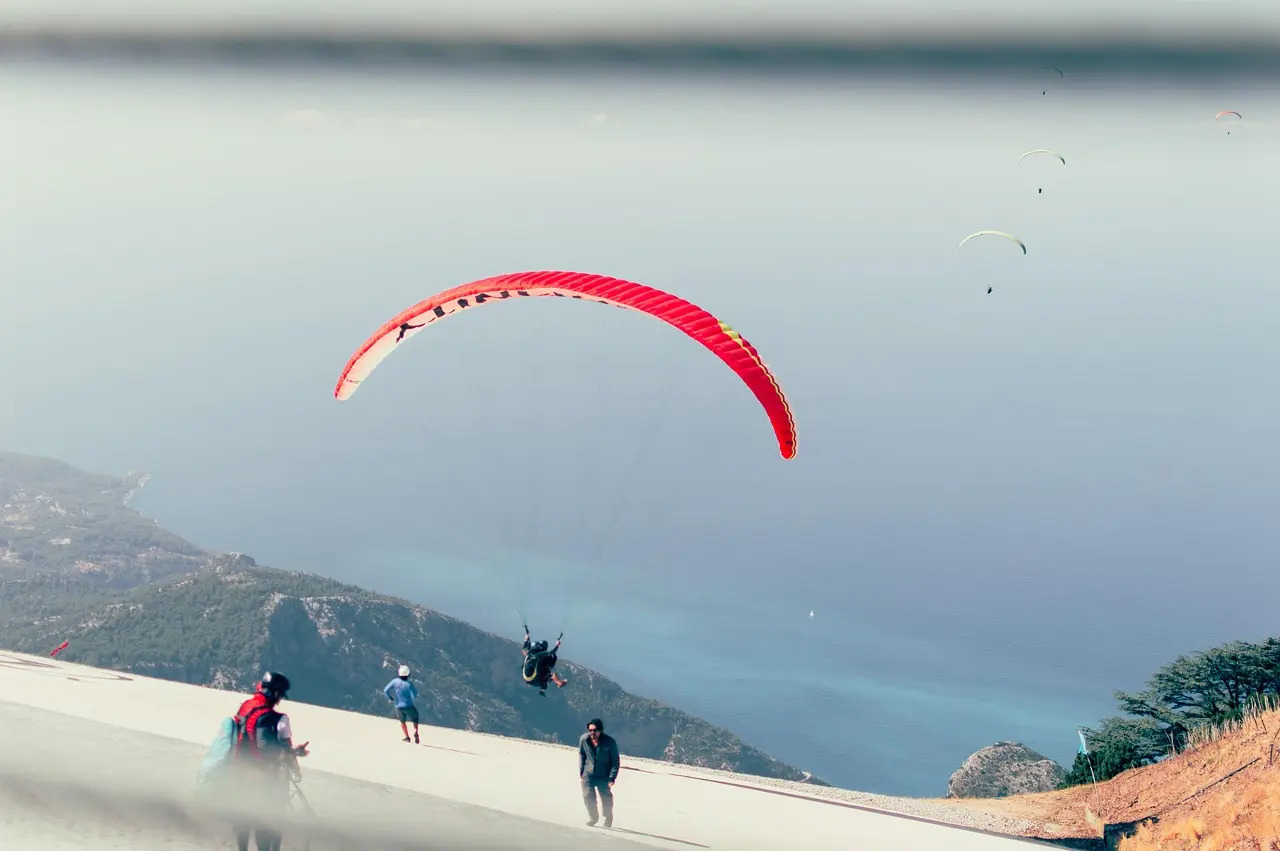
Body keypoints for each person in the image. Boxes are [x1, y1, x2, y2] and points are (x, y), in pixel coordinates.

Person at [230, 671, 309, 851]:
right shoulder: (278, 719)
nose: (280, 699)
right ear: (275, 693)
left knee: (242, 823)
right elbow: (269, 751)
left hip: (237, 773)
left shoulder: (245, 707)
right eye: (280, 695)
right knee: (266, 826)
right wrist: (295, 753)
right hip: (263, 779)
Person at [579, 718, 619, 828]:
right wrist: (581, 771)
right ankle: (593, 818)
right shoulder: (584, 739)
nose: (592, 732)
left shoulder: (610, 742)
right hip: (588, 774)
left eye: (595, 730)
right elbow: (582, 755)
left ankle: (608, 817)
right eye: (590, 730)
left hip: (603, 775)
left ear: (600, 730)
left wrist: (612, 777)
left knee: (606, 798)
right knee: (588, 796)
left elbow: (615, 761)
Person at [522, 629, 568, 695]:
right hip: (536, 680)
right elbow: (551, 652)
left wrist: (526, 638)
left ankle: (543, 688)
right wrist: (557, 645)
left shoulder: (528, 654)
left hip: (527, 680)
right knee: (551, 673)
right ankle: (559, 683)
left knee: (543, 668)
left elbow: (524, 648)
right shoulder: (538, 655)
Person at [384, 665, 420, 743]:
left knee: (402, 722)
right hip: (409, 706)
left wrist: (390, 698)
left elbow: (385, 690)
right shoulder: (409, 684)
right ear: (408, 674)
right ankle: (415, 731)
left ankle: (407, 737)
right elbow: (414, 696)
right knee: (415, 718)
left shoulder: (395, 681)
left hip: (398, 707)